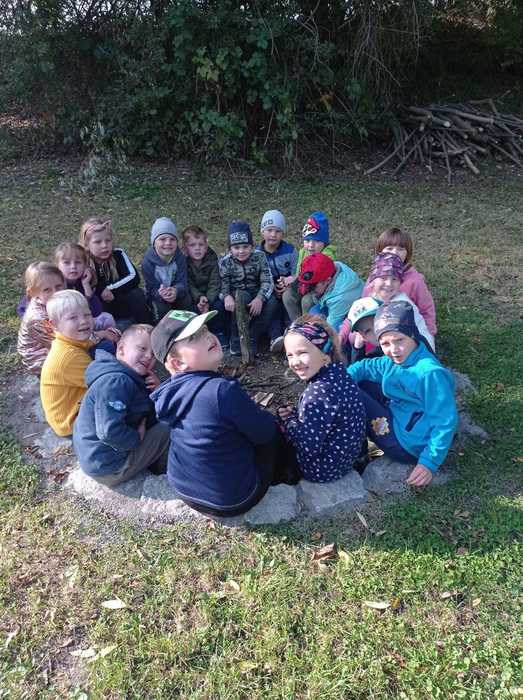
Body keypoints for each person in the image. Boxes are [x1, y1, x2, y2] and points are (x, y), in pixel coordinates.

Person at [150, 310, 300, 517]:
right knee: (272, 432)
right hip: (232, 499)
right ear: (178, 363)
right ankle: (289, 474)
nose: (208, 336)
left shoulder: (167, 393)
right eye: (194, 337)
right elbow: (264, 432)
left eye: (205, 329)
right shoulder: (221, 391)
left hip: (184, 488)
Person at [347, 301, 458, 487]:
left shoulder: (429, 374)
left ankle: (356, 454)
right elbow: (365, 367)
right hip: (403, 418)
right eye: (385, 343)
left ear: (412, 334)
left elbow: (445, 421)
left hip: (406, 443)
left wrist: (428, 463)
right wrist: (341, 377)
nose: (393, 349)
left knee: (350, 393)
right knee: (357, 382)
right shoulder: (395, 359)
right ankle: (361, 447)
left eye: (399, 340)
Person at [73, 324, 170, 486]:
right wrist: (136, 438)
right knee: (171, 424)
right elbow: (108, 431)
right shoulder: (116, 381)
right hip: (109, 467)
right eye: (142, 348)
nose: (148, 356)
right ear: (121, 349)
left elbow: (140, 408)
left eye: (153, 354)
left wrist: (157, 390)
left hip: (99, 458)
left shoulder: (123, 374)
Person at [277, 315, 366, 482]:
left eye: (302, 353)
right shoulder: (340, 373)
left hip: (322, 470)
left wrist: (289, 421)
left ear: (325, 352)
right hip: (346, 459)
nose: (295, 362)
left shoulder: (317, 393)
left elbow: (307, 447)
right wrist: (296, 414)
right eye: (290, 355)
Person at [363, 227, 437, 337]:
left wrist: (428, 335)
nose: (395, 253)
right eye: (389, 248)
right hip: (376, 327)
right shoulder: (375, 276)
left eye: (401, 249)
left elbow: (426, 310)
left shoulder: (415, 281)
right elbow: (364, 302)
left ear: (408, 253)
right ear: (380, 251)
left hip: (404, 331)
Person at [219, 220, 279, 355]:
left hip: (256, 292)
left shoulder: (260, 256)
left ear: (252, 246)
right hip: (236, 294)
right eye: (236, 247)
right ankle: (235, 339)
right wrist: (226, 296)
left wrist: (260, 298)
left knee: (273, 302)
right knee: (242, 297)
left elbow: (267, 280)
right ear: (230, 249)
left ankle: (253, 336)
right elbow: (223, 282)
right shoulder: (225, 262)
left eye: (245, 246)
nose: (241, 251)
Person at [40, 290, 95, 436]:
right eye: (73, 317)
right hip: (72, 422)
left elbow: (91, 344)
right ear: (54, 325)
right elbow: (105, 382)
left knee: (105, 347)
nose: (83, 321)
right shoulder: (69, 356)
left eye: (87, 314)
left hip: (75, 407)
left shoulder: (70, 342)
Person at [79, 217, 150, 325]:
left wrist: (109, 289)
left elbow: (133, 277)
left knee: (137, 294)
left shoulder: (118, 254)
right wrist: (100, 290)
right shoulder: (83, 262)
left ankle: (147, 326)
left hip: (121, 301)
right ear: (87, 245)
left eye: (107, 240)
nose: (104, 245)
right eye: (98, 242)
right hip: (101, 310)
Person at [366, 252, 435, 350]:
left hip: (416, 350)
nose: (389, 283)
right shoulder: (373, 296)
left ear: (400, 283)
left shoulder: (400, 306)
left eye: (394, 279)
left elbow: (395, 340)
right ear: (373, 280)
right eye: (383, 278)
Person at [54, 241, 118, 338]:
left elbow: (96, 311)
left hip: (85, 321)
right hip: (65, 326)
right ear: (57, 266)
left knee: (107, 318)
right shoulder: (55, 284)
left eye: (78, 262)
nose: (73, 267)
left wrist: (86, 285)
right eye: (67, 263)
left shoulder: (85, 281)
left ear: (85, 265)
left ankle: (112, 340)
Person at [282, 211, 337, 323]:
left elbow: (320, 281)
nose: (311, 245)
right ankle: (297, 324)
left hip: (320, 290)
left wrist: (298, 279)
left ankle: (308, 328)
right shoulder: (303, 252)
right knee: (287, 296)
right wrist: (292, 279)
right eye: (307, 240)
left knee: (307, 301)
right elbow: (300, 274)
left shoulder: (327, 256)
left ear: (324, 243)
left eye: (316, 241)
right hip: (305, 286)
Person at [256, 209, 298, 352]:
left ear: (283, 233)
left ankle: (291, 335)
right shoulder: (257, 254)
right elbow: (257, 277)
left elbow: (296, 273)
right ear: (262, 232)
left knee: (287, 304)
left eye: (278, 231)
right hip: (269, 290)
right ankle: (275, 337)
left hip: (288, 287)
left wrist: (288, 284)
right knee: (273, 306)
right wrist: (273, 289)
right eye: (269, 230)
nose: (273, 234)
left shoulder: (290, 251)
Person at [182, 224, 227, 345]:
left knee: (219, 306)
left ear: (206, 246)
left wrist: (208, 300)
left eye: (201, 245)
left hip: (210, 295)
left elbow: (215, 281)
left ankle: (218, 332)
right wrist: (199, 298)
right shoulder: (184, 262)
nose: (197, 248)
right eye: (192, 245)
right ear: (185, 248)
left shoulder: (212, 259)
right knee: (190, 309)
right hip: (194, 297)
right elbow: (188, 283)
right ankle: (197, 335)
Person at [17, 262, 65, 374]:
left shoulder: (55, 302)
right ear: (32, 293)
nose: (56, 293)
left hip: (53, 344)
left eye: (58, 286)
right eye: (47, 289)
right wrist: (97, 336)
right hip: (39, 359)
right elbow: (62, 341)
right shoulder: (37, 318)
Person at [297, 252, 364, 331]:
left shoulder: (340, 297)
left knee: (322, 327)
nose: (310, 290)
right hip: (337, 305)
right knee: (313, 312)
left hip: (356, 315)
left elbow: (331, 329)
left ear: (328, 280)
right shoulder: (333, 267)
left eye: (313, 286)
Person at [141, 216, 190, 321]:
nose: (168, 243)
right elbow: (151, 288)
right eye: (162, 239)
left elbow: (182, 282)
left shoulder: (180, 258)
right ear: (154, 243)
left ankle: (184, 326)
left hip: (175, 292)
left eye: (172, 239)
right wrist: (160, 293)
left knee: (186, 300)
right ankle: (161, 328)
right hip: (157, 296)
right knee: (162, 308)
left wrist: (176, 290)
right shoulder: (147, 262)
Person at [341, 297, 384, 364]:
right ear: (363, 337)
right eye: (367, 331)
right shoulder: (375, 358)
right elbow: (358, 368)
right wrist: (358, 349)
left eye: (377, 323)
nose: (376, 331)